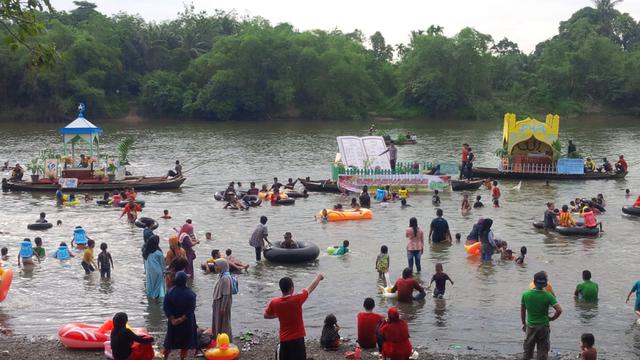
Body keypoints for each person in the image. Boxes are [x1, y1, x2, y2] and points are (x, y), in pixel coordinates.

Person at [264, 274, 324, 360]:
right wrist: (319, 277)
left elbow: (266, 315)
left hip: (284, 339)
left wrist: (277, 315)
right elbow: (310, 288)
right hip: (297, 338)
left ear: (281, 289)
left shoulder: (275, 302)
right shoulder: (297, 299)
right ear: (292, 288)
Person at [521, 271, 562, 360]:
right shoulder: (548, 296)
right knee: (542, 352)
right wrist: (552, 318)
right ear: (546, 283)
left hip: (531, 326)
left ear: (534, 282)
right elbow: (559, 310)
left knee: (527, 351)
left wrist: (524, 324)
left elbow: (523, 311)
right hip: (544, 326)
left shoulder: (526, 294)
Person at [163, 271, 198, 359]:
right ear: (185, 281)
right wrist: (181, 319)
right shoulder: (191, 294)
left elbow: (166, 307)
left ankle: (165, 358)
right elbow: (191, 309)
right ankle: (182, 358)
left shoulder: (170, 292)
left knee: (169, 342)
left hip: (173, 323)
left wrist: (172, 319)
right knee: (185, 344)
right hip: (186, 322)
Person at [211, 258, 234, 339]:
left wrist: (223, 307)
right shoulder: (221, 275)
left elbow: (226, 294)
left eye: (216, 266)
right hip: (218, 301)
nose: (215, 267)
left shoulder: (225, 278)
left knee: (224, 322)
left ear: (221, 266)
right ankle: (218, 337)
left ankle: (225, 339)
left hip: (222, 303)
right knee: (218, 321)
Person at [144, 235, 166, 299]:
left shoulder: (146, 252)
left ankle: (151, 299)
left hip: (150, 271)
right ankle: (156, 299)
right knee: (158, 287)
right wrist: (164, 272)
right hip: (158, 272)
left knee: (150, 285)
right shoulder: (158, 253)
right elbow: (162, 264)